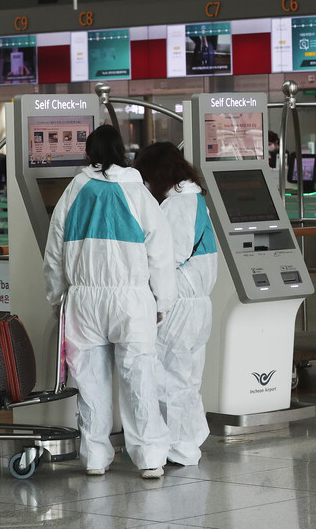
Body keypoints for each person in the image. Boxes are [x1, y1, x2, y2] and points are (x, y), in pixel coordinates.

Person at [43, 124, 177, 479]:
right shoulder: (137, 191)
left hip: (84, 301)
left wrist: (57, 297)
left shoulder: (74, 190)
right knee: (139, 379)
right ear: (123, 152)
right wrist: (163, 299)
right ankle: (149, 457)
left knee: (89, 382)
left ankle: (96, 457)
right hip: (131, 300)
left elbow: (54, 252)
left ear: (89, 154)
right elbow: (160, 251)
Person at [135, 142, 218, 466]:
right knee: (186, 379)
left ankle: (180, 448)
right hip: (195, 302)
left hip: (181, 302)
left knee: (171, 379)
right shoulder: (192, 198)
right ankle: (187, 444)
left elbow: (170, 255)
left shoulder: (179, 204)